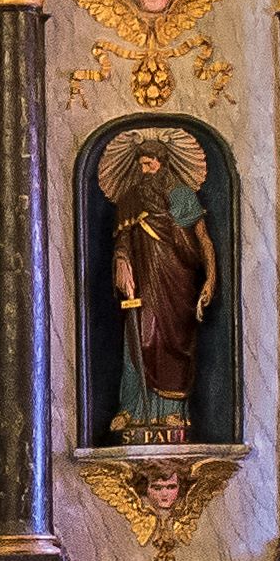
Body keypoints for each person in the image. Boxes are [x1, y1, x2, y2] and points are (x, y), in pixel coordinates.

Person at [107, 131, 211, 438]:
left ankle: (172, 412)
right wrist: (122, 262)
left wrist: (211, 279)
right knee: (139, 335)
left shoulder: (181, 195)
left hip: (177, 278)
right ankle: (133, 409)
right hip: (143, 281)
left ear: (162, 163)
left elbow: (202, 240)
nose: (144, 170)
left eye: (150, 164)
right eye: (141, 165)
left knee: (172, 341)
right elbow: (123, 238)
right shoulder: (129, 198)